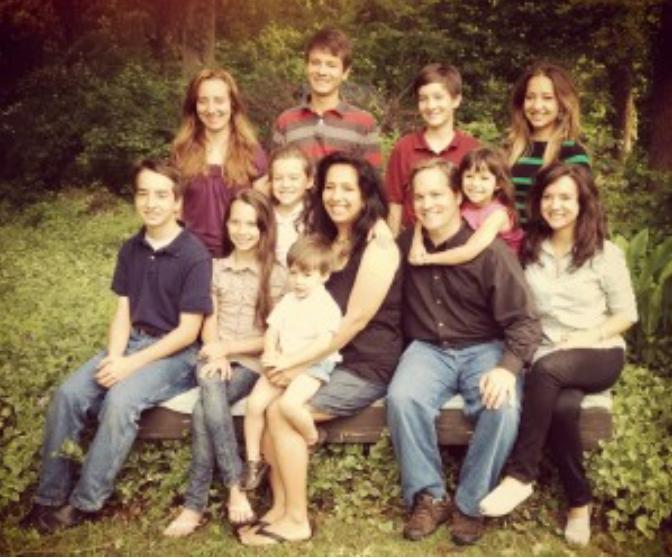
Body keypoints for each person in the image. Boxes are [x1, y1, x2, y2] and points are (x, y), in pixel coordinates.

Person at [21, 160, 213, 532]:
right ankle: (48, 497)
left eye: (161, 195)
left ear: (177, 203)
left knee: (121, 400)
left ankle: (86, 501)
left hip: (176, 354)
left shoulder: (194, 254)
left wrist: (129, 366)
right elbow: (123, 312)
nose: (151, 203)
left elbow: (189, 331)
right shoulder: (131, 249)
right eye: (143, 194)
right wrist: (114, 357)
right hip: (133, 342)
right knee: (68, 394)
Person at [240, 152, 403, 546]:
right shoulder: (325, 240)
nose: (337, 196)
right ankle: (279, 508)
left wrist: (296, 363)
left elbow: (355, 322)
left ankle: (297, 520)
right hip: (324, 357)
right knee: (269, 404)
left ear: (366, 194)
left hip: (364, 363)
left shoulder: (378, 246)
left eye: (348, 188)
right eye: (330, 186)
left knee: (282, 412)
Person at [480, 163, 638, 547]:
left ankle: (521, 474)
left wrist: (587, 335)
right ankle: (579, 505)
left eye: (566, 197)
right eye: (548, 197)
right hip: (548, 354)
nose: (556, 205)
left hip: (598, 352)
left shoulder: (605, 254)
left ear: (583, 203)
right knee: (564, 408)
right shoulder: (530, 249)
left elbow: (627, 315)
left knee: (547, 370)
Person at [386, 158, 542, 545]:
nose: (427, 204)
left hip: (484, 347)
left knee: (501, 406)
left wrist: (507, 368)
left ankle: (471, 503)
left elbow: (525, 321)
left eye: (437, 194)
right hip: (427, 348)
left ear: (457, 196)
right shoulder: (405, 246)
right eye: (419, 197)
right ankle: (430, 497)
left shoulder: (490, 252)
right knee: (402, 398)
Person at [163, 189, 287, 537]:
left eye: (251, 224)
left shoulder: (277, 274)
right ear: (226, 224)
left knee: (204, 408)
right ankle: (236, 486)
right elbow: (209, 320)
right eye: (235, 222)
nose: (242, 230)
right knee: (209, 384)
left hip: (251, 363)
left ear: (264, 228)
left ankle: (194, 505)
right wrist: (217, 349)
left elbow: (273, 337)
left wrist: (228, 349)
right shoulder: (214, 268)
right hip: (214, 354)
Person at [242, 235, 342, 491]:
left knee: (289, 405)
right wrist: (270, 353)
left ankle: (312, 437)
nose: (298, 281)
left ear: (324, 275)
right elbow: (273, 331)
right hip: (283, 361)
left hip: (313, 366)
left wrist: (288, 362)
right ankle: (253, 462)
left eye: (307, 275)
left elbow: (323, 345)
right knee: (254, 405)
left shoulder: (326, 305)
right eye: (294, 273)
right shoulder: (288, 301)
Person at [172, 68, 268, 257]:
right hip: (191, 257)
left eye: (219, 100)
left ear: (233, 104)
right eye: (203, 101)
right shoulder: (181, 152)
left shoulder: (253, 153)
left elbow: (263, 216)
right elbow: (174, 212)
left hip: (238, 257)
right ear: (194, 105)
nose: (211, 109)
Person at [386, 63, 480, 236]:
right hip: (413, 242)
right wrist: (393, 244)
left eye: (438, 97)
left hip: (463, 242)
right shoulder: (404, 148)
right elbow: (395, 204)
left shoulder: (473, 149)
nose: (430, 106)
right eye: (423, 99)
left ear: (456, 100)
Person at [271, 28, 381, 170]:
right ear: (307, 67)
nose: (322, 72)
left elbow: (372, 181)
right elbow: (275, 177)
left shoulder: (364, 124)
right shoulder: (285, 122)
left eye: (331, 65)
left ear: (345, 73)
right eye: (316, 63)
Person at [409, 146, 524, 266]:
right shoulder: (464, 200)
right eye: (469, 176)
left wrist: (426, 259)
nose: (475, 184)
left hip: (502, 266)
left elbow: (468, 251)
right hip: (474, 258)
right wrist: (417, 243)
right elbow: (427, 214)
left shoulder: (498, 215)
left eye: (484, 178)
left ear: (498, 184)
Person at [507, 62, 590, 223]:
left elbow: (583, 211)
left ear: (562, 104)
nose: (537, 106)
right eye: (530, 97)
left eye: (547, 98)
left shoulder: (572, 153)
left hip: (547, 238)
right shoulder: (508, 150)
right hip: (506, 237)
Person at [268, 144, 313, 266]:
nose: (285, 184)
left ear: (309, 181)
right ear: (271, 181)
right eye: (278, 178)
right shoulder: (265, 215)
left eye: (293, 178)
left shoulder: (317, 216)